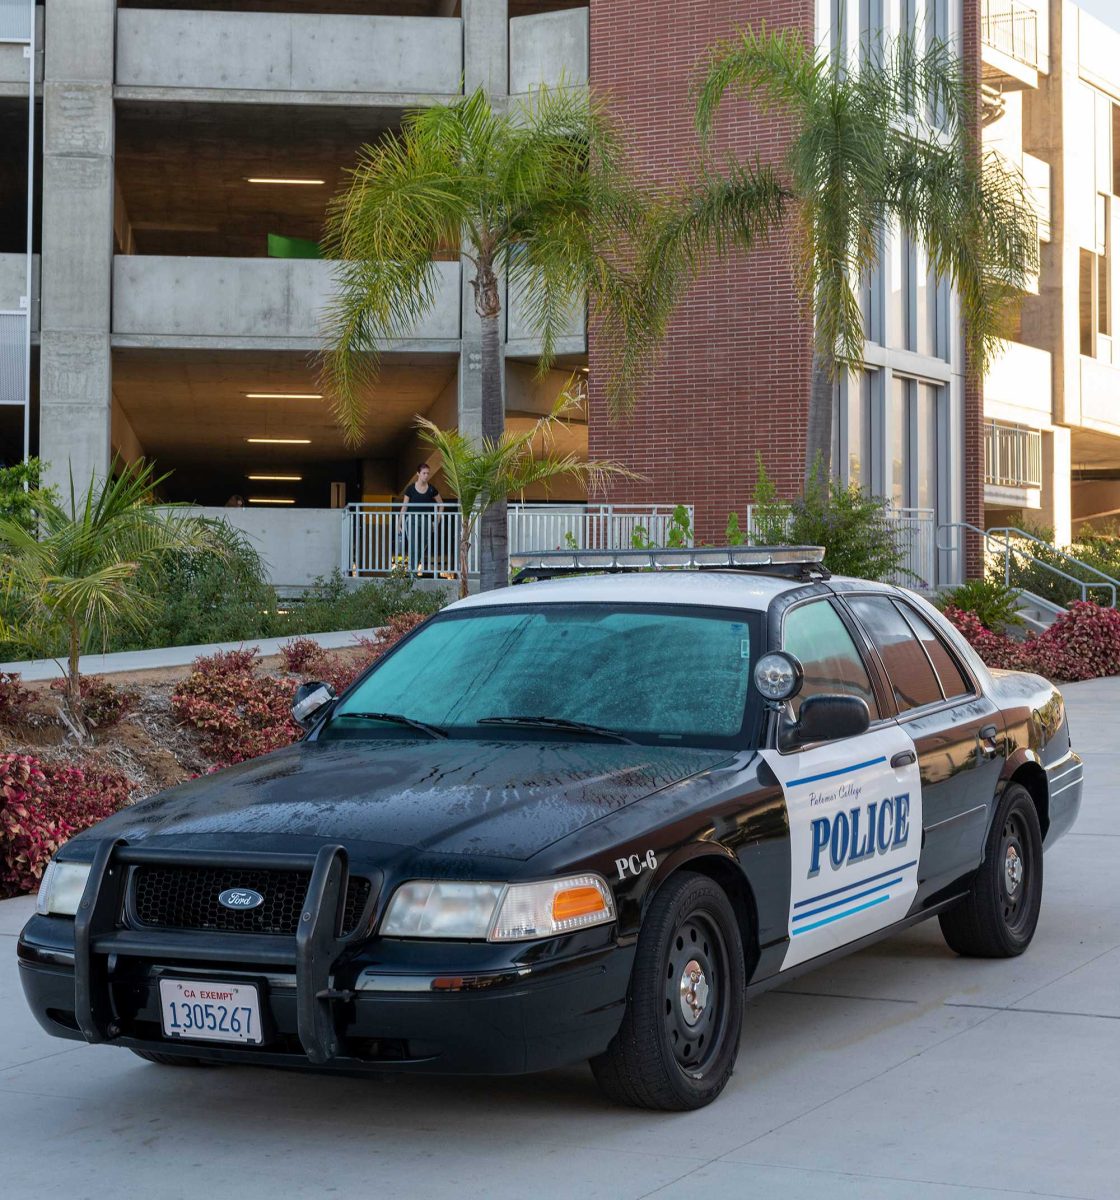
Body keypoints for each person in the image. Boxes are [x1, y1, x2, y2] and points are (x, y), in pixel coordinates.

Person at [398, 463, 443, 573]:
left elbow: (441, 504)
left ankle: (413, 571)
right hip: (412, 520)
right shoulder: (410, 489)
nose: (426, 475)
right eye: (424, 473)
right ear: (418, 473)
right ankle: (412, 571)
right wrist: (398, 524)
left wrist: (436, 521)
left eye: (428, 473)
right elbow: (404, 507)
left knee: (422, 547)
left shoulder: (432, 489)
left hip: (426, 521)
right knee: (413, 545)